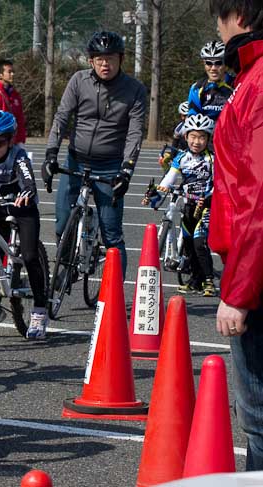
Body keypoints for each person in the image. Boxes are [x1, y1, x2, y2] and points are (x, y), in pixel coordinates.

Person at [41, 31, 147, 276]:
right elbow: (62, 117)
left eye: (110, 58)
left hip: (110, 165)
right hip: (76, 161)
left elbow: (134, 132)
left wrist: (127, 169)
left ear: (121, 59)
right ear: (90, 61)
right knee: (62, 222)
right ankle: (65, 270)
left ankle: (115, 298)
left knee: (112, 234)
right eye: (98, 58)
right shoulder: (79, 81)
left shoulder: (134, 89)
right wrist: (50, 154)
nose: (104, 64)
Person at [208, 0, 263, 471]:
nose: (220, 31)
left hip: (258, 275)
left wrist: (239, 292)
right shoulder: (250, 78)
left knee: (260, 422)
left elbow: (258, 199)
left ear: (240, 16)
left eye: (219, 19)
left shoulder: (258, 84)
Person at [0, 110, 47, 338]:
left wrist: (26, 191)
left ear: (10, 140)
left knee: (30, 256)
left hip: (24, 209)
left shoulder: (18, 156)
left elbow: (27, 179)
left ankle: (40, 311)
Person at [142, 113, 216, 296]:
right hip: (188, 205)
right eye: (193, 136)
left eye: (201, 137)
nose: (196, 141)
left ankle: (209, 281)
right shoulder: (181, 158)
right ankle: (195, 280)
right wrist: (156, 192)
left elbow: (219, 183)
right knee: (190, 244)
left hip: (206, 206)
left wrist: (208, 197)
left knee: (200, 243)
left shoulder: (212, 158)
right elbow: (169, 178)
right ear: (186, 137)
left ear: (208, 138)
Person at [187, 40, 235, 122]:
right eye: (209, 63)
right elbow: (193, 119)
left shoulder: (236, 85)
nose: (213, 68)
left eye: (218, 63)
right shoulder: (197, 88)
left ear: (226, 64)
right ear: (204, 64)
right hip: (207, 133)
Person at [158, 101, 190, 172]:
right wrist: (172, 157)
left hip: (196, 153)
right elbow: (175, 143)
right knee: (164, 159)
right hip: (182, 152)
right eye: (183, 115)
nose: (184, 118)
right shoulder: (179, 128)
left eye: (187, 115)